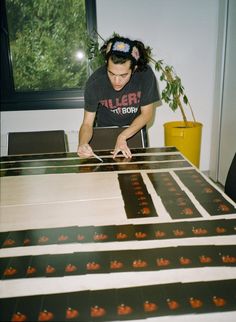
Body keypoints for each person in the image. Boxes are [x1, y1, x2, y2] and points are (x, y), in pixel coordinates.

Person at [77, 35, 160, 159]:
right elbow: (87, 124)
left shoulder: (145, 75)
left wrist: (122, 136)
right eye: (111, 73)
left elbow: (147, 114)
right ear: (106, 64)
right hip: (104, 135)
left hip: (134, 132)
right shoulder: (95, 83)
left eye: (123, 75)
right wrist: (82, 143)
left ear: (134, 68)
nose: (116, 81)